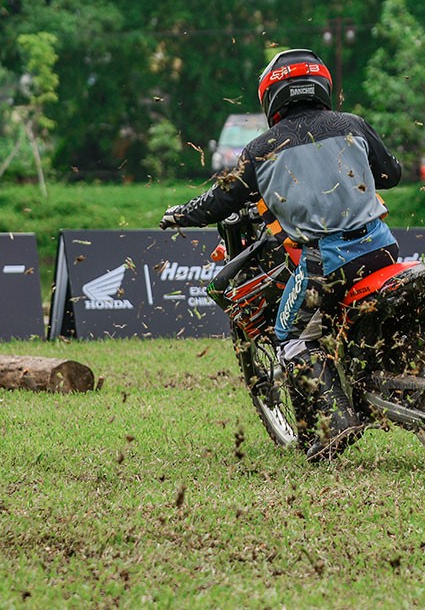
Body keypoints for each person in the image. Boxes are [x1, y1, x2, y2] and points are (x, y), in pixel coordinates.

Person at [160, 48, 403, 461]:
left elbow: (220, 201)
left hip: (326, 263)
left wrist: (180, 213)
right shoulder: (352, 124)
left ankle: (334, 425)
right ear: (322, 86)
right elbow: (391, 175)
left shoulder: (260, 148)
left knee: (290, 337)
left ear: (271, 96)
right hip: (383, 248)